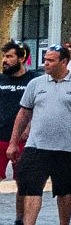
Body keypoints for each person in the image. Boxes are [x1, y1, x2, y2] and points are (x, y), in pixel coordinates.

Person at [8, 44, 71, 225]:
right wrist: (14, 142)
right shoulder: (36, 83)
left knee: (66, 189)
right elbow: (23, 114)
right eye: (45, 59)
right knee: (30, 186)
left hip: (68, 147)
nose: (45, 63)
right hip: (37, 145)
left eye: (50, 60)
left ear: (64, 62)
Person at [0, 41, 32, 183]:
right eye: (4, 57)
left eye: (9, 56)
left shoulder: (34, 80)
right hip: (1, 137)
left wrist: (29, 126)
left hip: (24, 140)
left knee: (23, 185)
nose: (4, 60)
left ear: (21, 58)